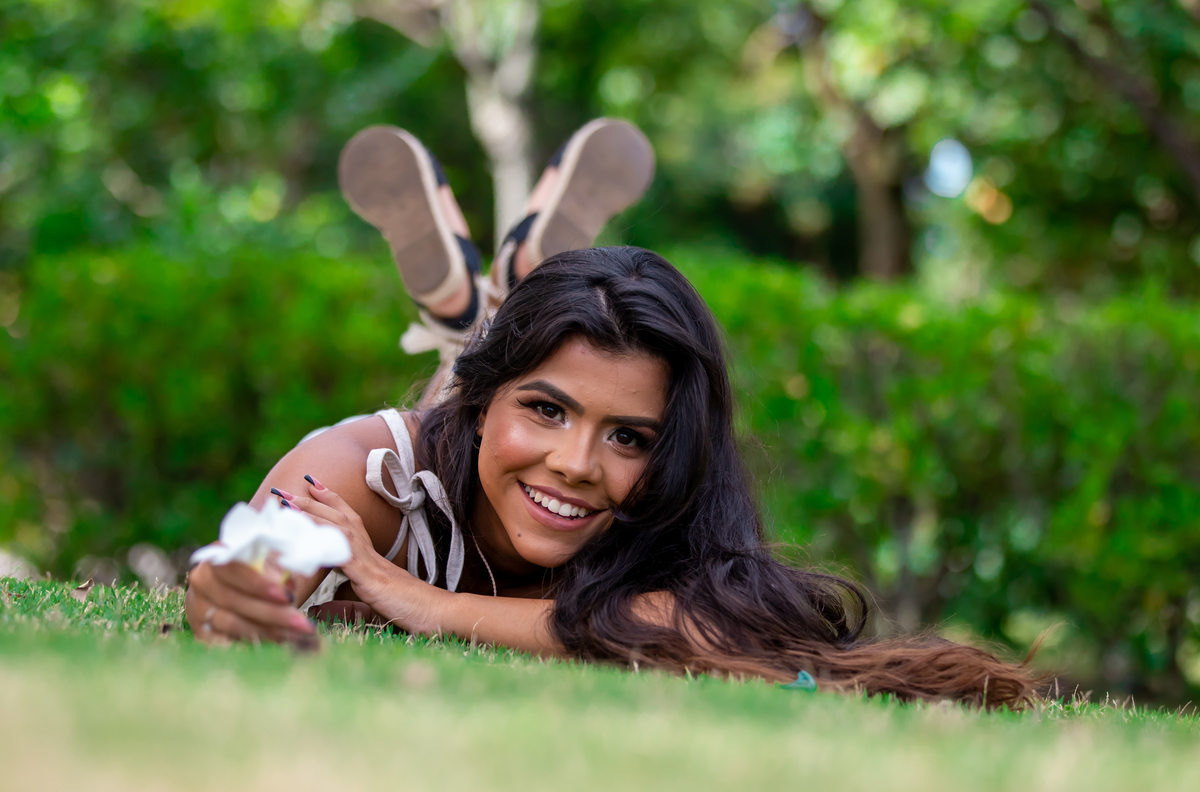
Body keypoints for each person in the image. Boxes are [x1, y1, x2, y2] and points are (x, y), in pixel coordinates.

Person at [185, 119, 1039, 708]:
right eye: (548, 410)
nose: (579, 463)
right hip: (451, 430)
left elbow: (697, 632)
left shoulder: (659, 513)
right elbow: (244, 570)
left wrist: (416, 600)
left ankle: (509, 293)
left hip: (483, 422)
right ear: (490, 405)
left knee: (535, 394)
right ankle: (485, 304)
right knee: (467, 373)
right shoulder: (360, 472)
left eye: (630, 437)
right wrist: (238, 589)